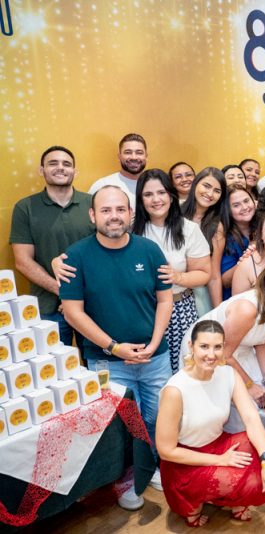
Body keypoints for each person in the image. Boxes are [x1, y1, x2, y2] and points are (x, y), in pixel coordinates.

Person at [59, 186, 173, 497]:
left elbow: (164, 301)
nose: (114, 216)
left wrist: (154, 342)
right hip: (108, 361)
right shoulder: (76, 256)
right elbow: (72, 313)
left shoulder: (149, 251)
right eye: (106, 210)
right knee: (123, 426)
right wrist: (114, 347)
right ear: (93, 215)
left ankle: (155, 467)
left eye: (120, 209)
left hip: (155, 357)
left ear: (130, 213)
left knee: (158, 417)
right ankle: (128, 479)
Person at [181, 256, 265, 468]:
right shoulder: (248, 309)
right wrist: (250, 386)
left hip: (241, 349)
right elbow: (223, 355)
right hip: (211, 353)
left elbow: (264, 344)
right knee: (243, 406)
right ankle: (238, 463)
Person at [156, 320, 265, 527]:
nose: (211, 354)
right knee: (254, 481)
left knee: (263, 443)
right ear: (191, 347)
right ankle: (194, 501)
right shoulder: (175, 390)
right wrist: (220, 461)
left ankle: (225, 497)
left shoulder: (228, 374)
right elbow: (166, 451)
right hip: (184, 463)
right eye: (204, 346)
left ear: (224, 348)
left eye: (217, 347)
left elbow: (251, 418)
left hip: (218, 445)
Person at [10, 146, 94, 349]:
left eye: (66, 164)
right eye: (53, 163)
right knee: (55, 373)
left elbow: (107, 250)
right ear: (41, 170)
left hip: (93, 305)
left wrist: (77, 298)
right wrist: (66, 294)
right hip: (49, 308)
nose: (60, 168)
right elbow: (23, 261)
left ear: (75, 172)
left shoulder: (93, 203)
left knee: (97, 367)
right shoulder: (25, 208)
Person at [131, 170, 211, 374]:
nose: (156, 199)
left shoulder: (189, 229)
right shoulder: (131, 230)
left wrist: (178, 277)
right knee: (150, 374)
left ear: (171, 195)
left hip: (180, 309)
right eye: (148, 195)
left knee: (184, 372)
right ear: (140, 199)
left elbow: (203, 273)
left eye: (161, 192)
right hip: (142, 311)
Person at [181, 167, 227, 312]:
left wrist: (217, 313)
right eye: (206, 186)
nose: (210, 194)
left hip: (199, 297)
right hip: (168, 291)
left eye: (217, 191)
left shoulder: (216, 227)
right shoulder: (173, 212)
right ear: (195, 183)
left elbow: (214, 275)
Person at [88, 133, 148, 208]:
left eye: (139, 153)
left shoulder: (155, 186)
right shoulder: (102, 185)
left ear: (146, 157)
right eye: (128, 152)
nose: (134, 157)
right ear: (119, 157)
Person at [220, 185, 256, 300]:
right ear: (228, 210)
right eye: (236, 205)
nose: (244, 207)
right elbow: (225, 281)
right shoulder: (224, 236)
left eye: (246, 201)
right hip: (238, 299)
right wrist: (247, 257)